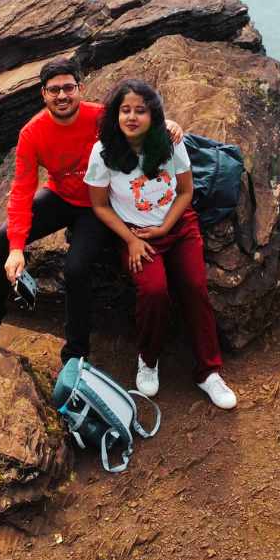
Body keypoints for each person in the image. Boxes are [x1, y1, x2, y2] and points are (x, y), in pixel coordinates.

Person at [0, 58, 182, 363]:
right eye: (54, 90)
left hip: (98, 206)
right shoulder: (32, 134)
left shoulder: (101, 117)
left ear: (80, 89)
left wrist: (169, 125)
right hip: (61, 197)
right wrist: (18, 248)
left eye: (68, 87)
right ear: (43, 94)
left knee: (76, 268)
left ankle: (76, 353)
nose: (62, 96)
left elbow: (139, 121)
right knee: (5, 238)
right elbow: (21, 192)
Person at [84, 79, 237, 410]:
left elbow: (185, 191)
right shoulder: (104, 152)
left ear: (153, 115)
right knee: (154, 291)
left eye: (141, 110)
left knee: (195, 287)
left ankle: (209, 372)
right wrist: (130, 240)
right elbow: (99, 205)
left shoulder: (168, 144)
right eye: (125, 110)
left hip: (179, 227)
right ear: (115, 115)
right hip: (136, 235)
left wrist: (167, 225)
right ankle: (148, 358)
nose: (132, 117)